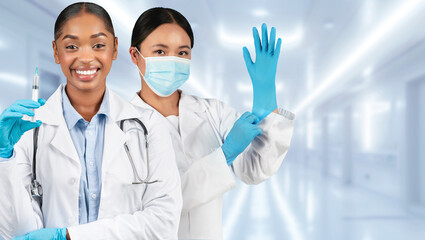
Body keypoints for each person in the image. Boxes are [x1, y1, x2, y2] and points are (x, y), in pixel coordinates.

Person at [0, 2, 181, 239]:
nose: (86, 58)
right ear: (56, 51)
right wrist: (4, 157)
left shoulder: (149, 126)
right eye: (72, 46)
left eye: (98, 45)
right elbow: (16, 232)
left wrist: (67, 236)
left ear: (114, 48)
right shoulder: (28, 131)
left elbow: (164, 224)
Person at [128, 7, 295, 239]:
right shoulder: (120, 127)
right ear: (135, 56)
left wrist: (265, 94)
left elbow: (255, 170)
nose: (173, 61)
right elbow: (158, 204)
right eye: (160, 51)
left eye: (182, 53)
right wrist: (223, 155)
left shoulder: (213, 112)